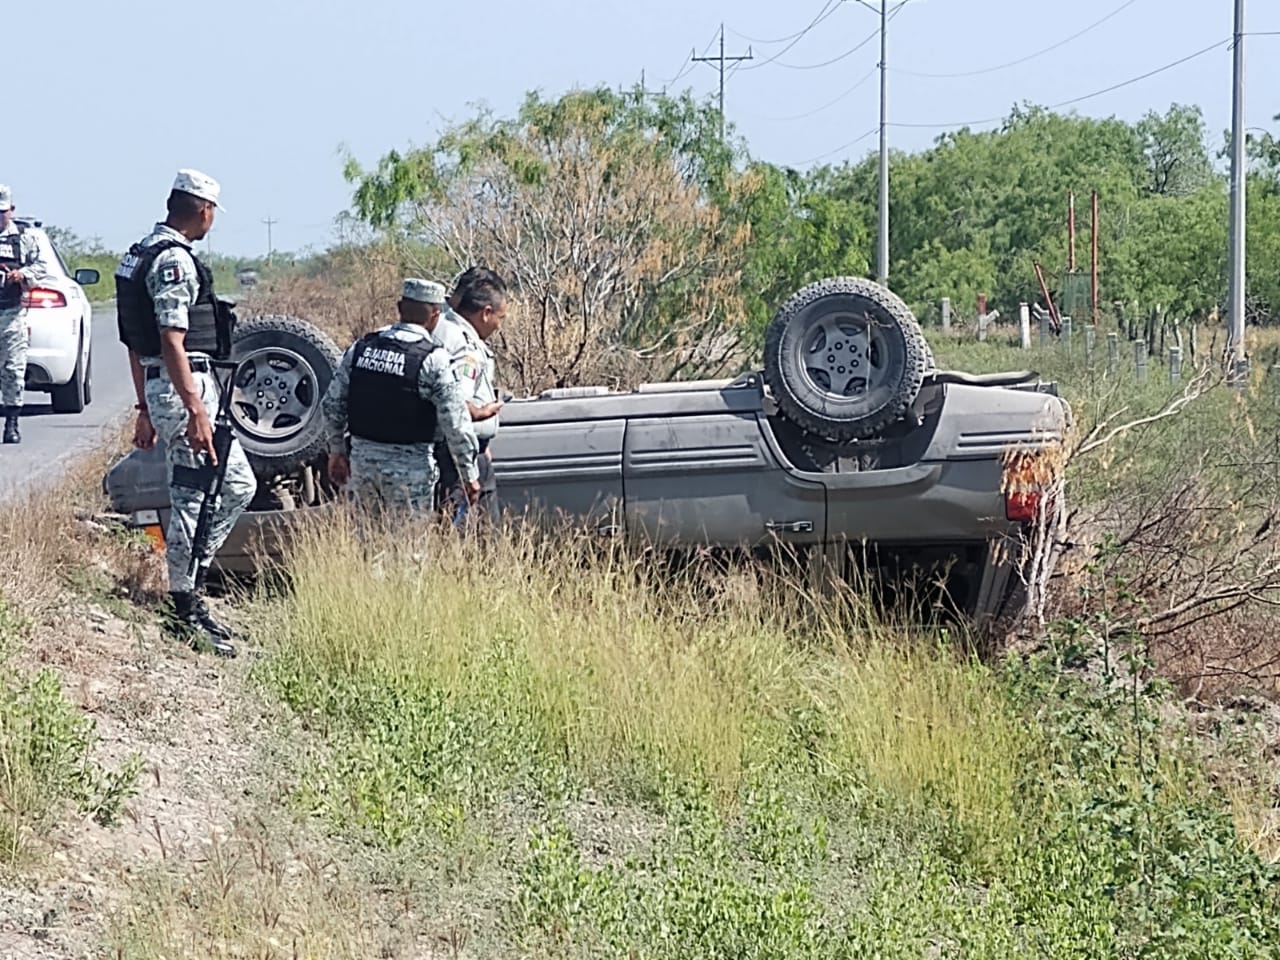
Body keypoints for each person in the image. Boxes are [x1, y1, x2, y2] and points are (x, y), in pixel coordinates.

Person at [114, 169, 256, 658]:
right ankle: (184, 599)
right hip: (183, 387)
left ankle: (187, 583)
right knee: (205, 492)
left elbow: (136, 344)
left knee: (219, 486)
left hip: (165, 390)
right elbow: (170, 341)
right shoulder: (173, 261)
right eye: (212, 212)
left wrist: (145, 407)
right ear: (203, 210)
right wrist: (194, 408)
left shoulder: (138, 254)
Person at [322, 278, 481, 519]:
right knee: (410, 549)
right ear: (435, 316)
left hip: (363, 466)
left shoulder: (361, 348)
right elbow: (456, 423)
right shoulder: (433, 359)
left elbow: (332, 405)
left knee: (368, 545)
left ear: (399, 307)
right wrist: (469, 474)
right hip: (411, 472)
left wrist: (336, 451)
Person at [434, 267, 508, 522]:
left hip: (464, 450)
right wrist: (480, 415)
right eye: (501, 317)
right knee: (469, 536)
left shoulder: (440, 327)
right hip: (458, 458)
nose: (500, 325)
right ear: (486, 313)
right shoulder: (464, 345)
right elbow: (458, 404)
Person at [0, 184, 53, 444]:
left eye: (2, 212)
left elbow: (43, 265)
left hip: (11, 314)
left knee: (13, 369)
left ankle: (11, 423)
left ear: (11, 210)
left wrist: (23, 275)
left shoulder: (24, 238)